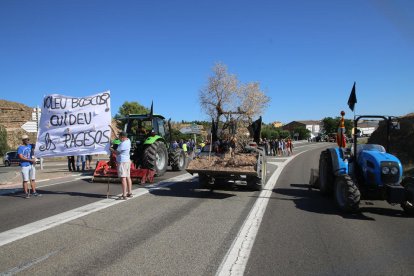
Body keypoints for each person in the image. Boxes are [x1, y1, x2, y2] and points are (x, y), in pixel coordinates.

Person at [110, 131, 132, 200]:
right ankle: (130, 192)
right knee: (128, 177)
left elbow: (117, 152)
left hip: (122, 162)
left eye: (120, 137)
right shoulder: (128, 141)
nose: (118, 138)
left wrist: (111, 149)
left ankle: (124, 195)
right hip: (127, 161)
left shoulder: (123, 144)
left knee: (123, 178)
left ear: (122, 138)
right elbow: (119, 140)